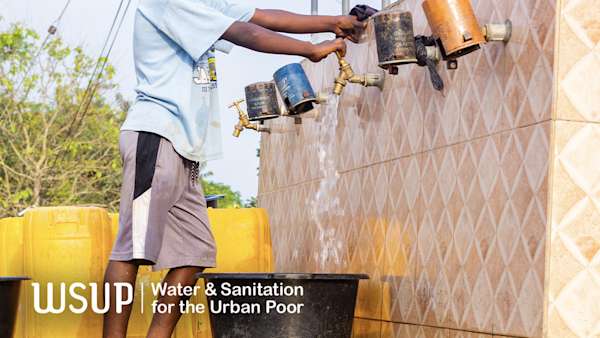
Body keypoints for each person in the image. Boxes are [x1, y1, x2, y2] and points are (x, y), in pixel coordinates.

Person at [102, 1, 365, 337]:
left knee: (195, 251)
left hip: (186, 147)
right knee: (133, 248)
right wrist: (310, 50)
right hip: (156, 135)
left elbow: (263, 17)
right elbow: (245, 33)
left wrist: (335, 22)